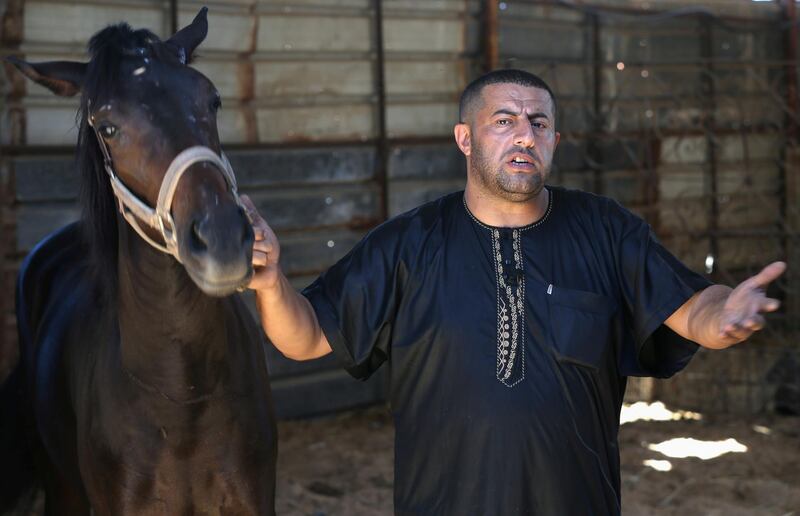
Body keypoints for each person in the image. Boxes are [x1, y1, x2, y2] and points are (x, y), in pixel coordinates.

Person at [241, 69, 785, 515]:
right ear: (465, 138)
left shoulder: (605, 231)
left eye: (539, 123)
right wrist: (270, 282)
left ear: (552, 141)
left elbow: (692, 309)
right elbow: (306, 336)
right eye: (504, 121)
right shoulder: (408, 244)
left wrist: (725, 313)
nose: (525, 134)